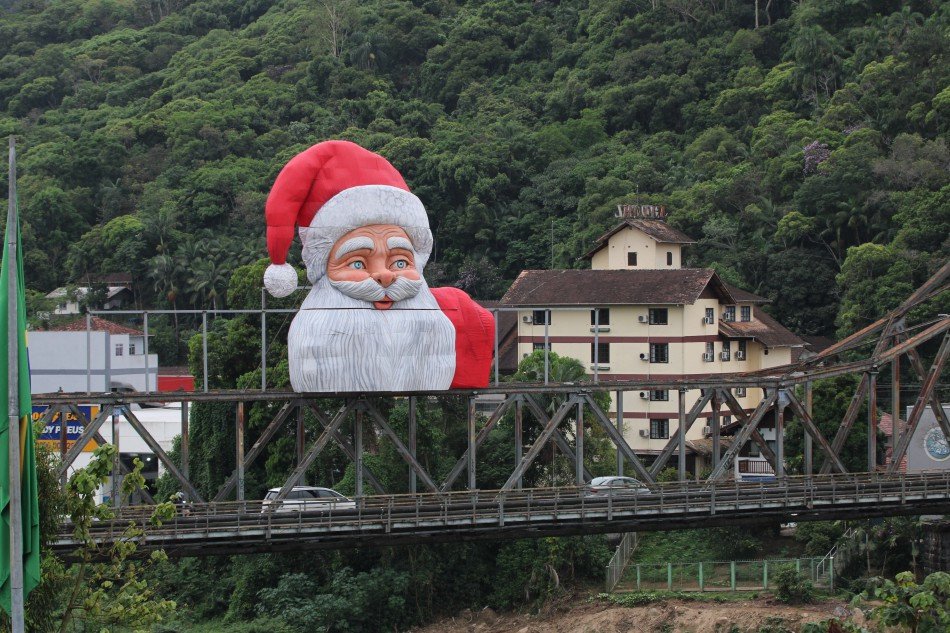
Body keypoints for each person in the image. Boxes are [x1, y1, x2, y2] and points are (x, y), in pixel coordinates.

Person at [263, 141, 494, 393]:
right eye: (358, 262)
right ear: (324, 269)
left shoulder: (456, 317)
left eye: (400, 262)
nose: (385, 275)